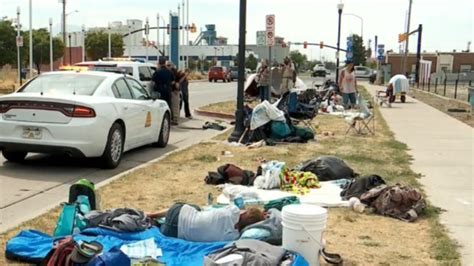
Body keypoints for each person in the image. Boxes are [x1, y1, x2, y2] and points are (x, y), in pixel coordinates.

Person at [146, 203, 265, 242]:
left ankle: (153, 215)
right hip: (173, 233)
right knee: (159, 228)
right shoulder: (233, 237)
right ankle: (154, 224)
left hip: (177, 213)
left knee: (194, 207)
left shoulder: (233, 210)